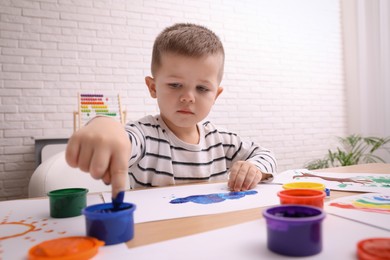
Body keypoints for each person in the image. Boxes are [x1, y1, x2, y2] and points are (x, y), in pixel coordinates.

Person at [66, 23, 277, 197]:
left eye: (202, 88)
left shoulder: (222, 139)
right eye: (175, 85)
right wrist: (105, 124)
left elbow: (265, 154)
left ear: (216, 95)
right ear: (153, 87)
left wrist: (255, 168)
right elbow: (123, 141)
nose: (188, 97)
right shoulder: (144, 134)